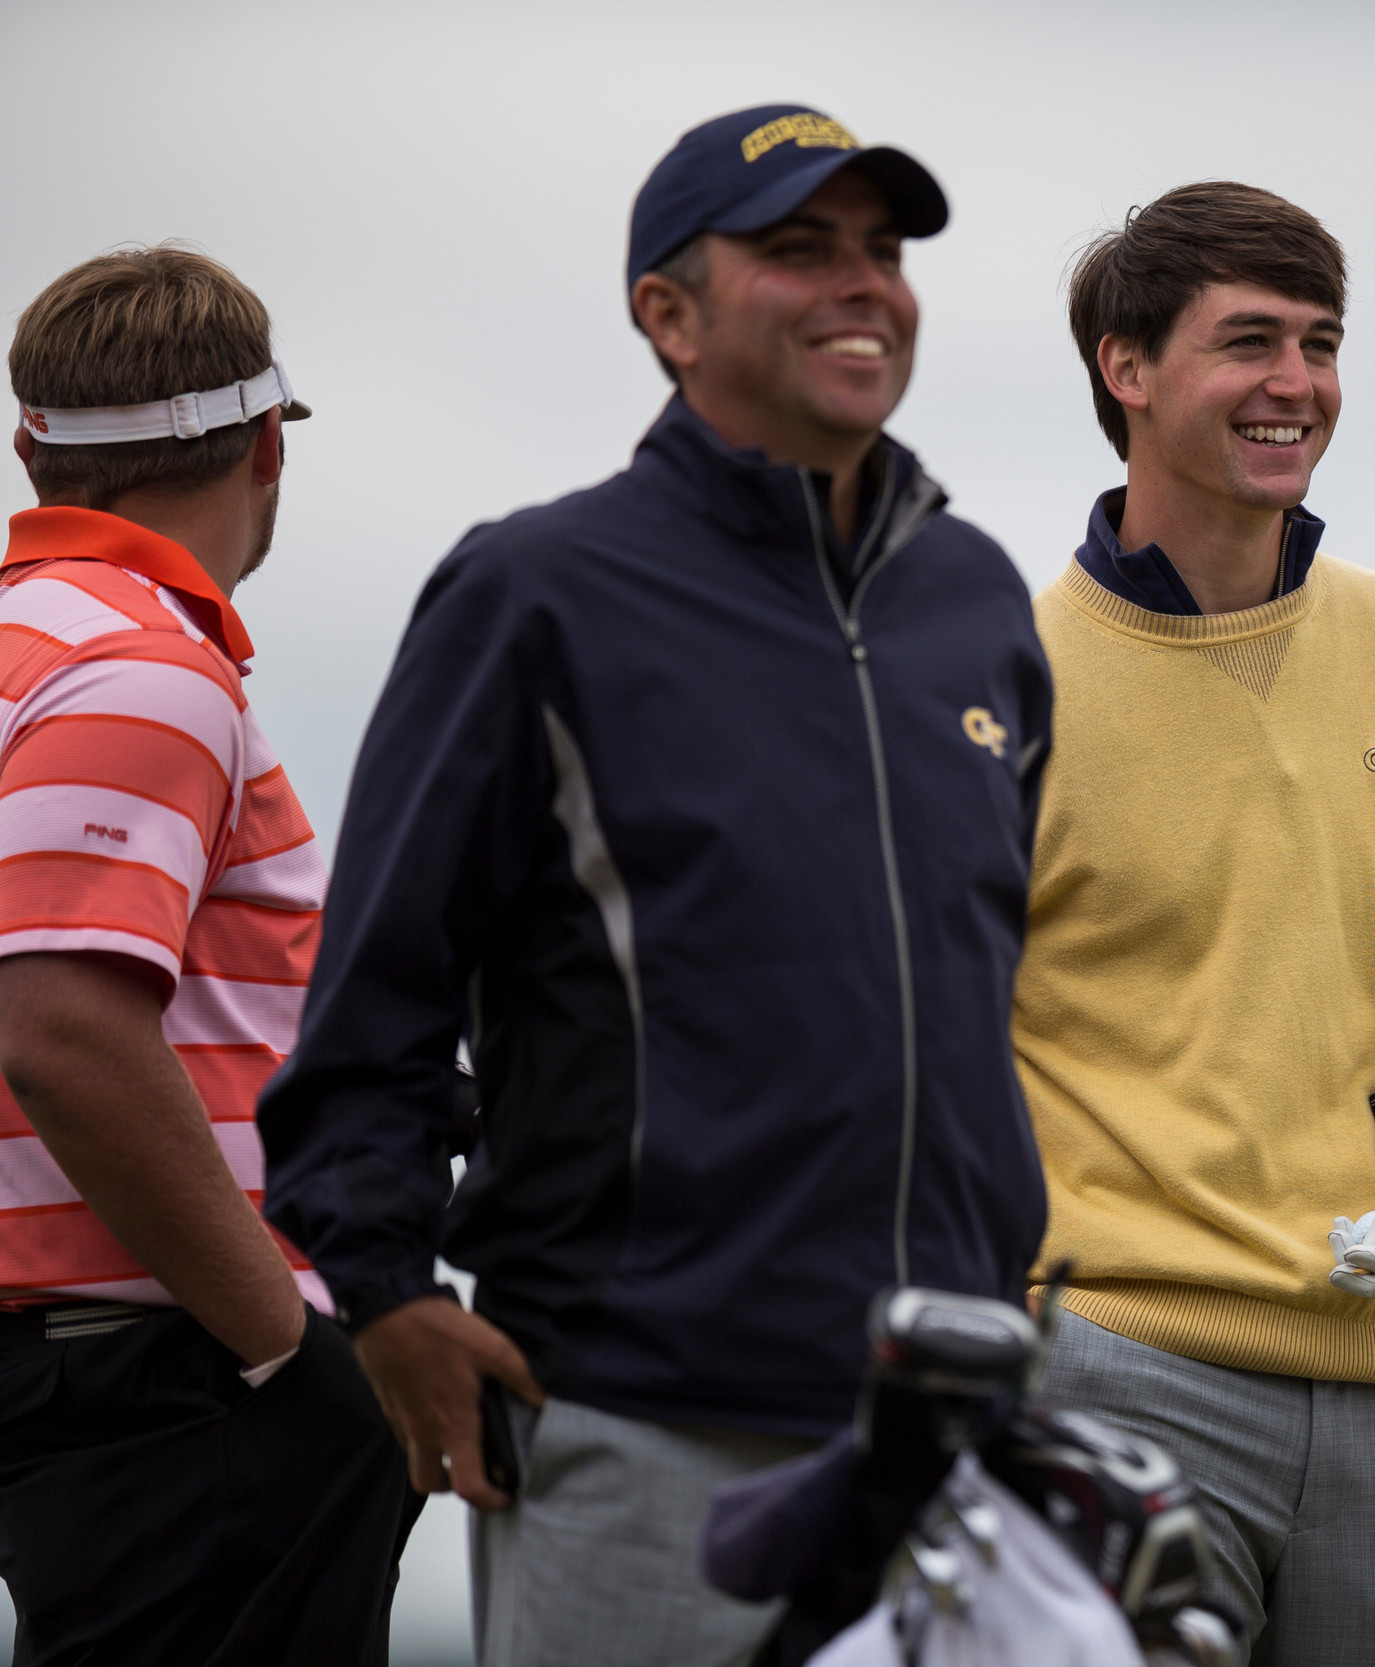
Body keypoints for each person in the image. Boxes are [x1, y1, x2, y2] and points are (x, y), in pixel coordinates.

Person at [257, 104, 1053, 1667]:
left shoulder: (979, 606)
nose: (864, 286)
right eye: (800, 249)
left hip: (949, 1432)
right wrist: (384, 1288)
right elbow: (380, 995)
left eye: (885, 253)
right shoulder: (537, 591)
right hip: (636, 1412)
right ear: (668, 315)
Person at [1017, 182, 1375, 1664]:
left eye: (1322, 343)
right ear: (1124, 369)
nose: (1299, 385)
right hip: (1115, 1370)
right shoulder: (1000, 677)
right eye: (1250, 341)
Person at [0, 246, 422, 1664]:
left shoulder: (27, 646)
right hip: (185, 1381)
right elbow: (60, 1031)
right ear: (264, 446)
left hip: (92, 1372)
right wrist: (287, 1353)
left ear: (29, 449)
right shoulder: (143, 669)